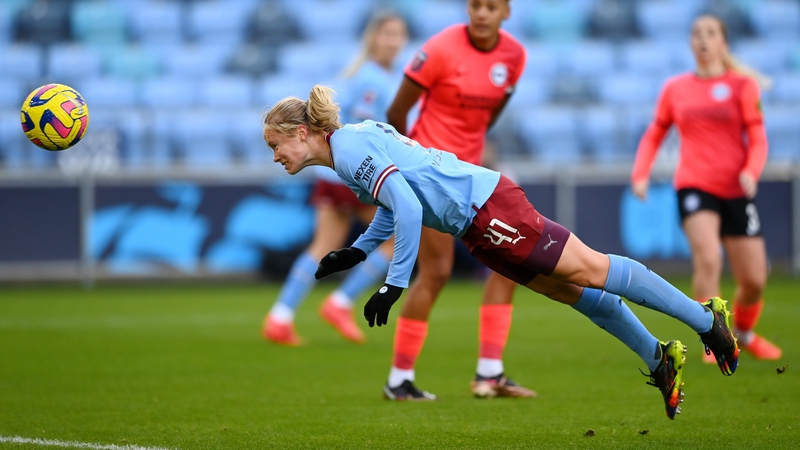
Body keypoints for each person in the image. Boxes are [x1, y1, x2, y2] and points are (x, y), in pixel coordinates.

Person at [261, 84, 741, 420]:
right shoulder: (347, 149)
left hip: (487, 206)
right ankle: (658, 358)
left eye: (274, 143)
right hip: (474, 226)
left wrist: (394, 284)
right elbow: (394, 204)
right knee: (571, 291)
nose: (274, 155)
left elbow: (407, 207)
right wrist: (360, 252)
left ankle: (707, 319)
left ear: (300, 132)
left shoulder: (347, 149)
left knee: (591, 269)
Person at [383, 0, 532, 400]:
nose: (481, 13)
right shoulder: (440, 49)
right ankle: (399, 379)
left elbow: (489, 114)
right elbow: (396, 111)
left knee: (509, 259)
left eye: (491, 6)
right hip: (429, 173)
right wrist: (413, 163)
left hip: (473, 177)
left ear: (506, 12)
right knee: (436, 271)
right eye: (475, 5)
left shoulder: (515, 56)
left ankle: (489, 373)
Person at [631, 15, 781, 362]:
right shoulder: (676, 88)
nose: (702, 39)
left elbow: (758, 138)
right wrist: (641, 173)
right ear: (690, 43)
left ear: (723, 42)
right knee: (709, 258)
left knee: (755, 279)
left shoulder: (743, 86)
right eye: (696, 33)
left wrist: (751, 170)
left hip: (736, 188)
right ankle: (713, 340)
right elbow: (655, 133)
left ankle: (743, 334)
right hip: (694, 185)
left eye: (710, 33)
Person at [262, 12, 408, 346]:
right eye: (387, 34)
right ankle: (340, 303)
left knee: (322, 245)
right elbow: (363, 129)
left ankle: (280, 315)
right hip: (356, 171)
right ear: (373, 38)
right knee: (394, 238)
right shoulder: (373, 79)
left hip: (337, 171)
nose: (393, 41)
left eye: (399, 35)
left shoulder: (374, 75)